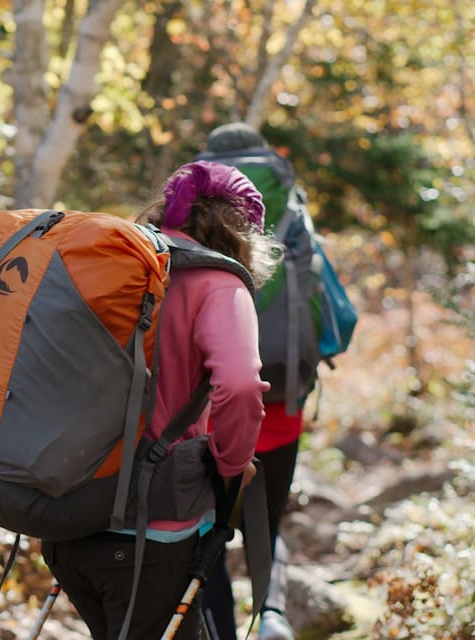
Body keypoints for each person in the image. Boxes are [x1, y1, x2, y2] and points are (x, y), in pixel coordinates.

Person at [40, 160, 282, 640]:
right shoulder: (219, 283)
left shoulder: (112, 269)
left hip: (65, 515)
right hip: (150, 533)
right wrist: (230, 467)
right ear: (244, 233)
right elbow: (238, 385)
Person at [197, 123, 312, 640]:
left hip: (202, 407)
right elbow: (330, 309)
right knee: (267, 525)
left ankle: (221, 632)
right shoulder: (292, 206)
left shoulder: (191, 201)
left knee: (205, 535)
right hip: (282, 395)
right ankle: (271, 616)